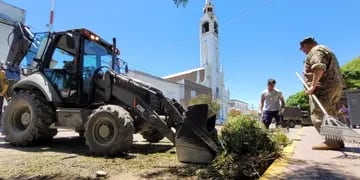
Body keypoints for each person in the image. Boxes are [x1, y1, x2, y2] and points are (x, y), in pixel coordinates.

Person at [300, 37, 345, 150]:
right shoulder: (325, 49)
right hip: (334, 86)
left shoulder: (316, 51)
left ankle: (331, 141)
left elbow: (319, 67)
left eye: (302, 48)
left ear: (306, 45)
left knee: (318, 114)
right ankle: (337, 140)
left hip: (324, 89)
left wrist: (312, 86)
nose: (302, 50)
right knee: (331, 113)